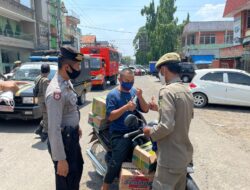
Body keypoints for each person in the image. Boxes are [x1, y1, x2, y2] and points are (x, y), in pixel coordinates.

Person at [143, 52, 194, 190]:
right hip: (183, 156)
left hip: (169, 159)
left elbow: (166, 126)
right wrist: (159, 109)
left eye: (160, 71)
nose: (160, 74)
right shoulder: (186, 90)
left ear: (164, 69)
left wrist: (149, 131)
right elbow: (181, 115)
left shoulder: (167, 91)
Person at [101, 68, 149, 190]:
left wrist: (140, 96)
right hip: (119, 133)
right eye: (127, 80)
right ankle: (105, 185)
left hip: (136, 129)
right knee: (117, 160)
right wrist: (126, 107)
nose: (130, 83)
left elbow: (145, 109)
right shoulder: (112, 95)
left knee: (149, 150)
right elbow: (110, 116)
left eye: (132, 80)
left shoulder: (133, 91)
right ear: (120, 79)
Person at [45, 46, 84, 190]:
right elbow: (53, 129)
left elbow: (69, 109)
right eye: (77, 65)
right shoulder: (56, 92)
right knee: (66, 182)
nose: (79, 68)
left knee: (75, 173)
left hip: (71, 137)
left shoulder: (67, 81)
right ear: (67, 67)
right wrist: (60, 159)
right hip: (63, 142)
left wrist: (76, 126)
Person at [34, 63, 50, 142]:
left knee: (44, 116)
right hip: (44, 102)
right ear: (48, 71)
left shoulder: (38, 78)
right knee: (47, 117)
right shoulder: (45, 80)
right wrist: (48, 104)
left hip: (38, 100)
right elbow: (46, 94)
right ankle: (44, 133)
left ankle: (39, 129)